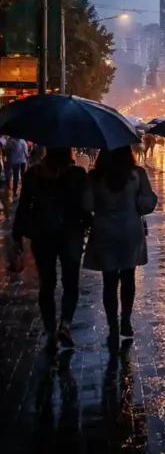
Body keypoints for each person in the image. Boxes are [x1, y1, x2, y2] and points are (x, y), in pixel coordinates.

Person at [12, 147, 89, 350]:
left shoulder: (34, 174)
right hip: (71, 233)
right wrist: (90, 223)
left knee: (47, 283)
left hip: (42, 233)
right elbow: (85, 206)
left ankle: (50, 329)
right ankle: (65, 323)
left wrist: (17, 237)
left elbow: (23, 206)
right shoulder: (78, 174)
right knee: (70, 281)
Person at [82, 146, 158, 348]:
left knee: (109, 280)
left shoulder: (95, 177)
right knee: (128, 276)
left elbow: (87, 204)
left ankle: (112, 326)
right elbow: (148, 203)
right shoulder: (137, 174)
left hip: (105, 230)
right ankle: (126, 319)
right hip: (129, 230)